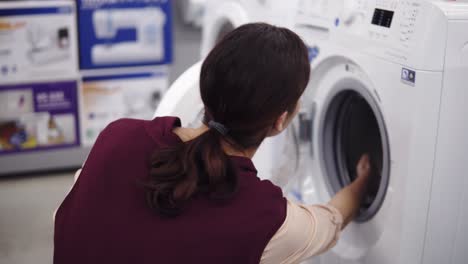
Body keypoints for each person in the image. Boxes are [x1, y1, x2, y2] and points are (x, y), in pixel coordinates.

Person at [54, 23, 371, 264]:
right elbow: (329, 222)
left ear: (205, 88)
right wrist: (363, 182)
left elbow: (77, 202)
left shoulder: (119, 135)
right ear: (280, 120)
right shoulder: (268, 219)